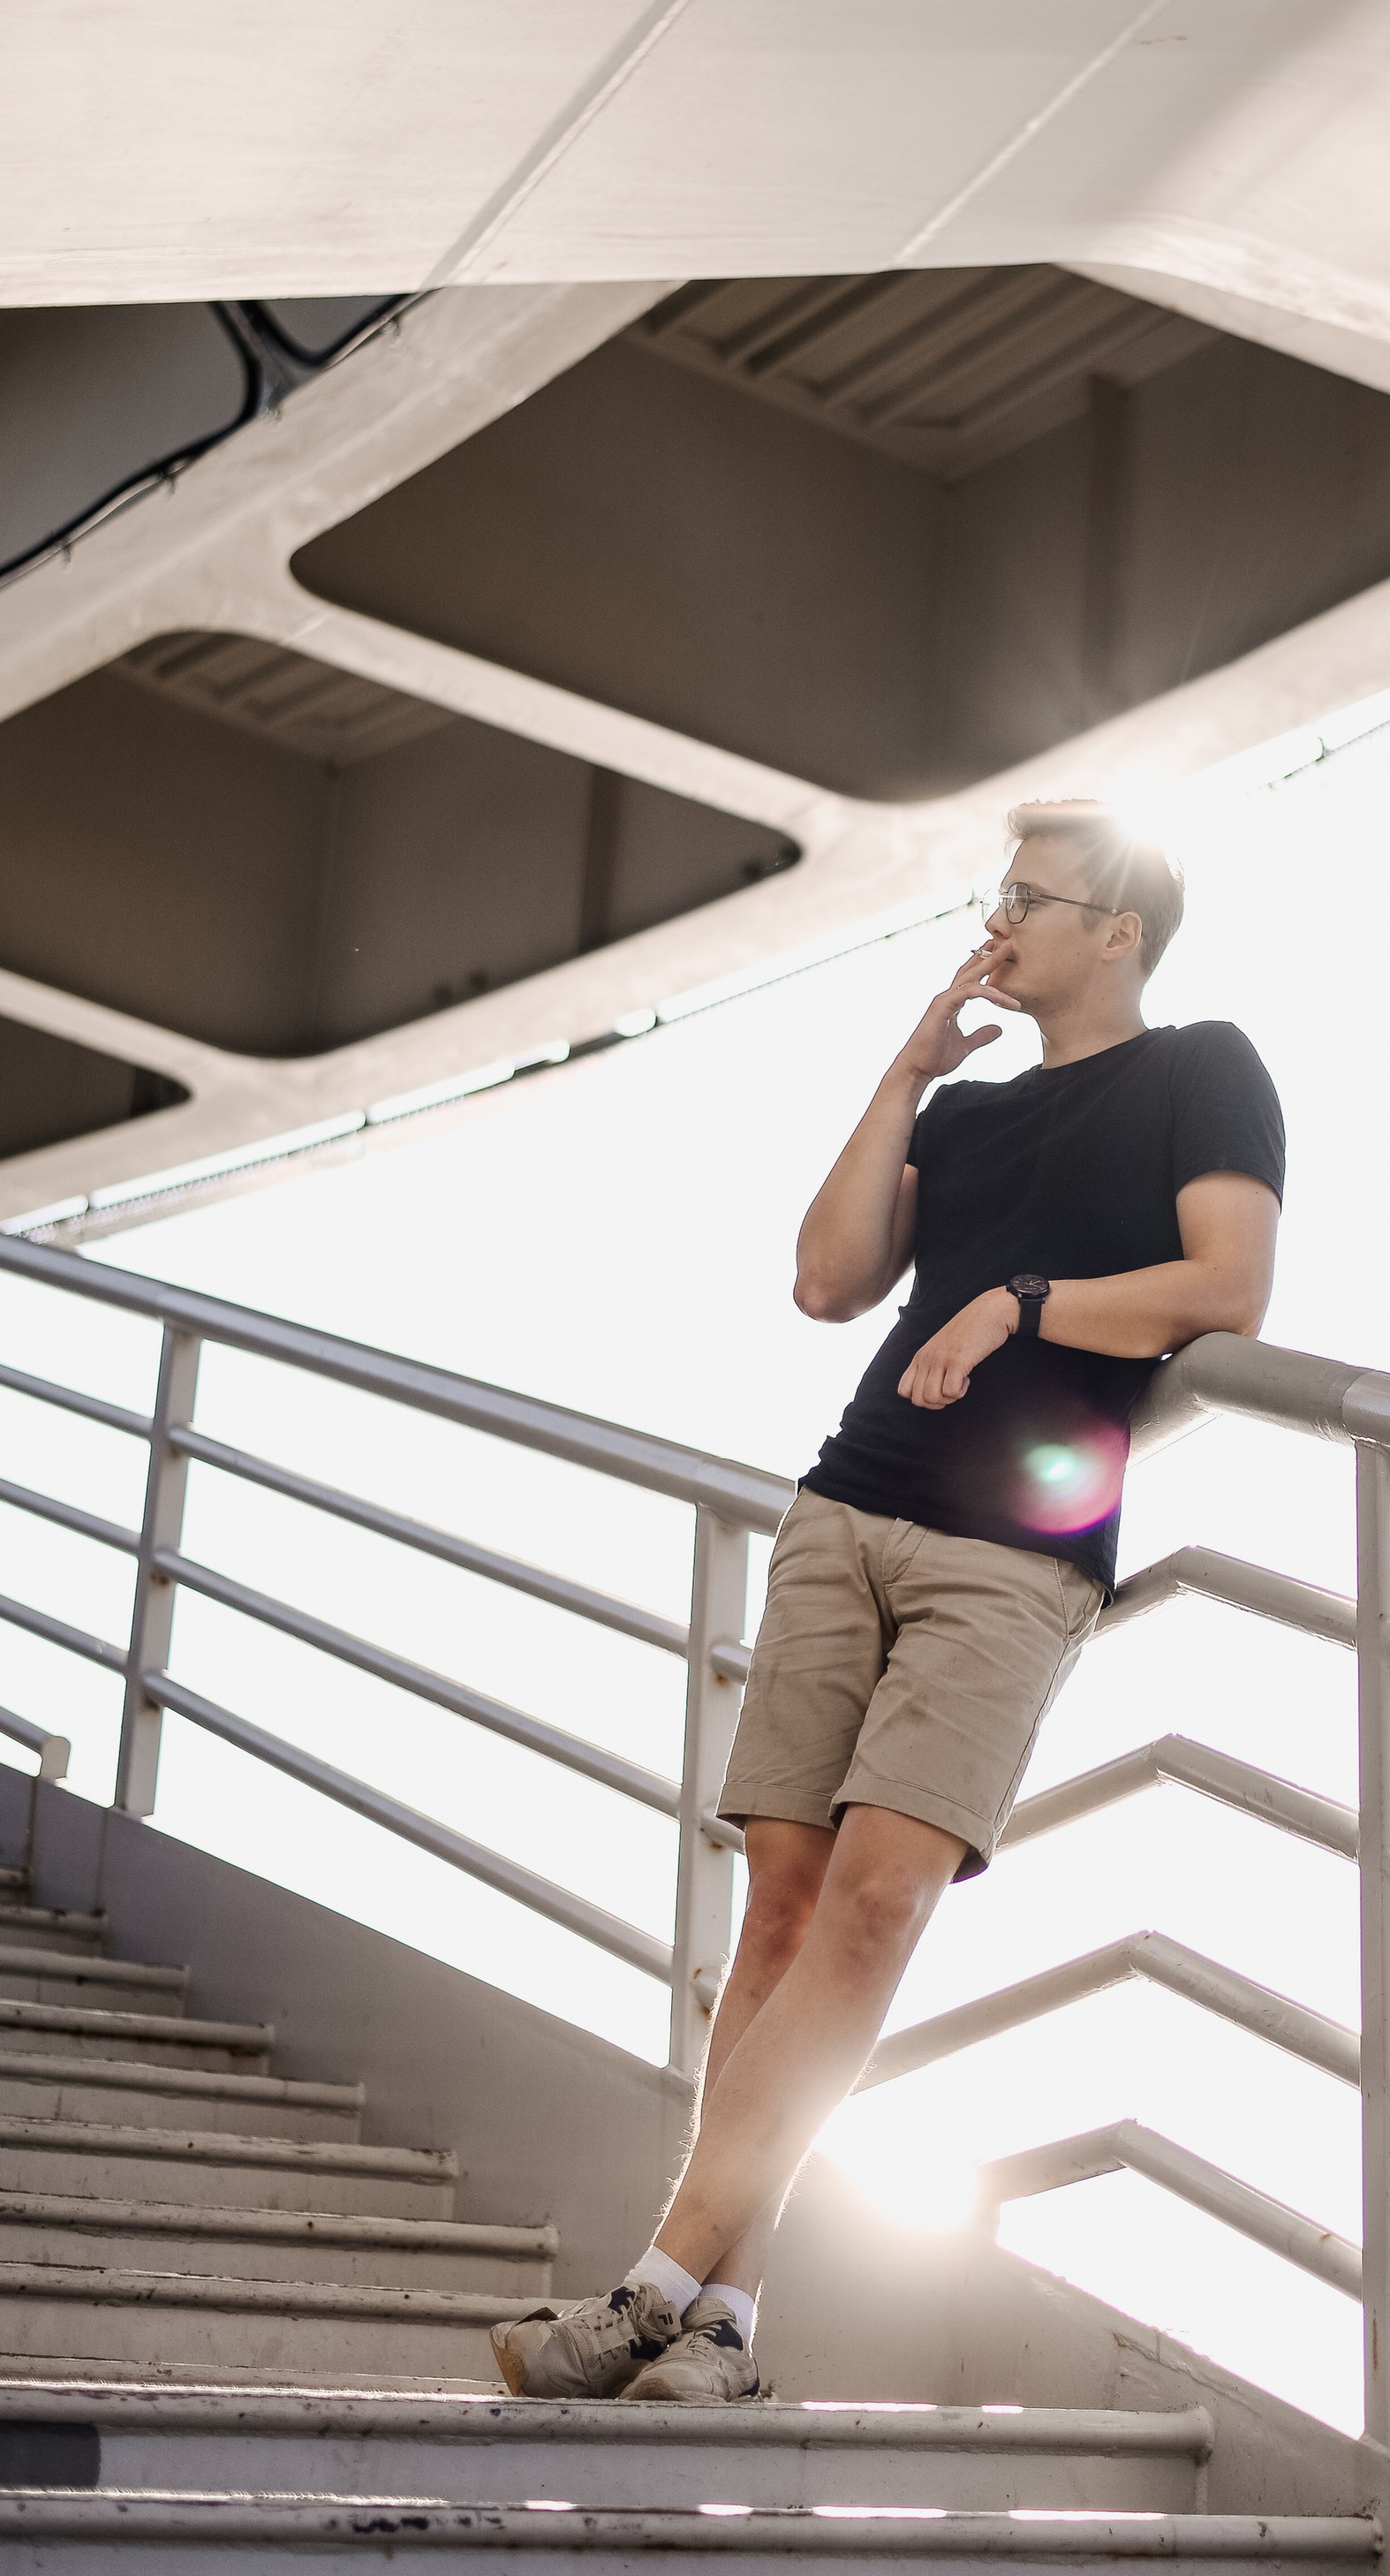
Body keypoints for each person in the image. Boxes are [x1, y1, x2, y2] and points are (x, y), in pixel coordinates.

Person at [492, 799, 1286, 2403]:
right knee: (780, 1915)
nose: (1000, 918)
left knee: (876, 1904)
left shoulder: (1206, 1066)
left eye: (1031, 897)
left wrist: (1022, 1305)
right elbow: (828, 1278)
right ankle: (724, 2325)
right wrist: (909, 1070)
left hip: (1017, 1546)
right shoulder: (973, 1111)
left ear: (1115, 931)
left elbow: (1229, 1289)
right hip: (847, 1504)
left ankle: (652, 2286)